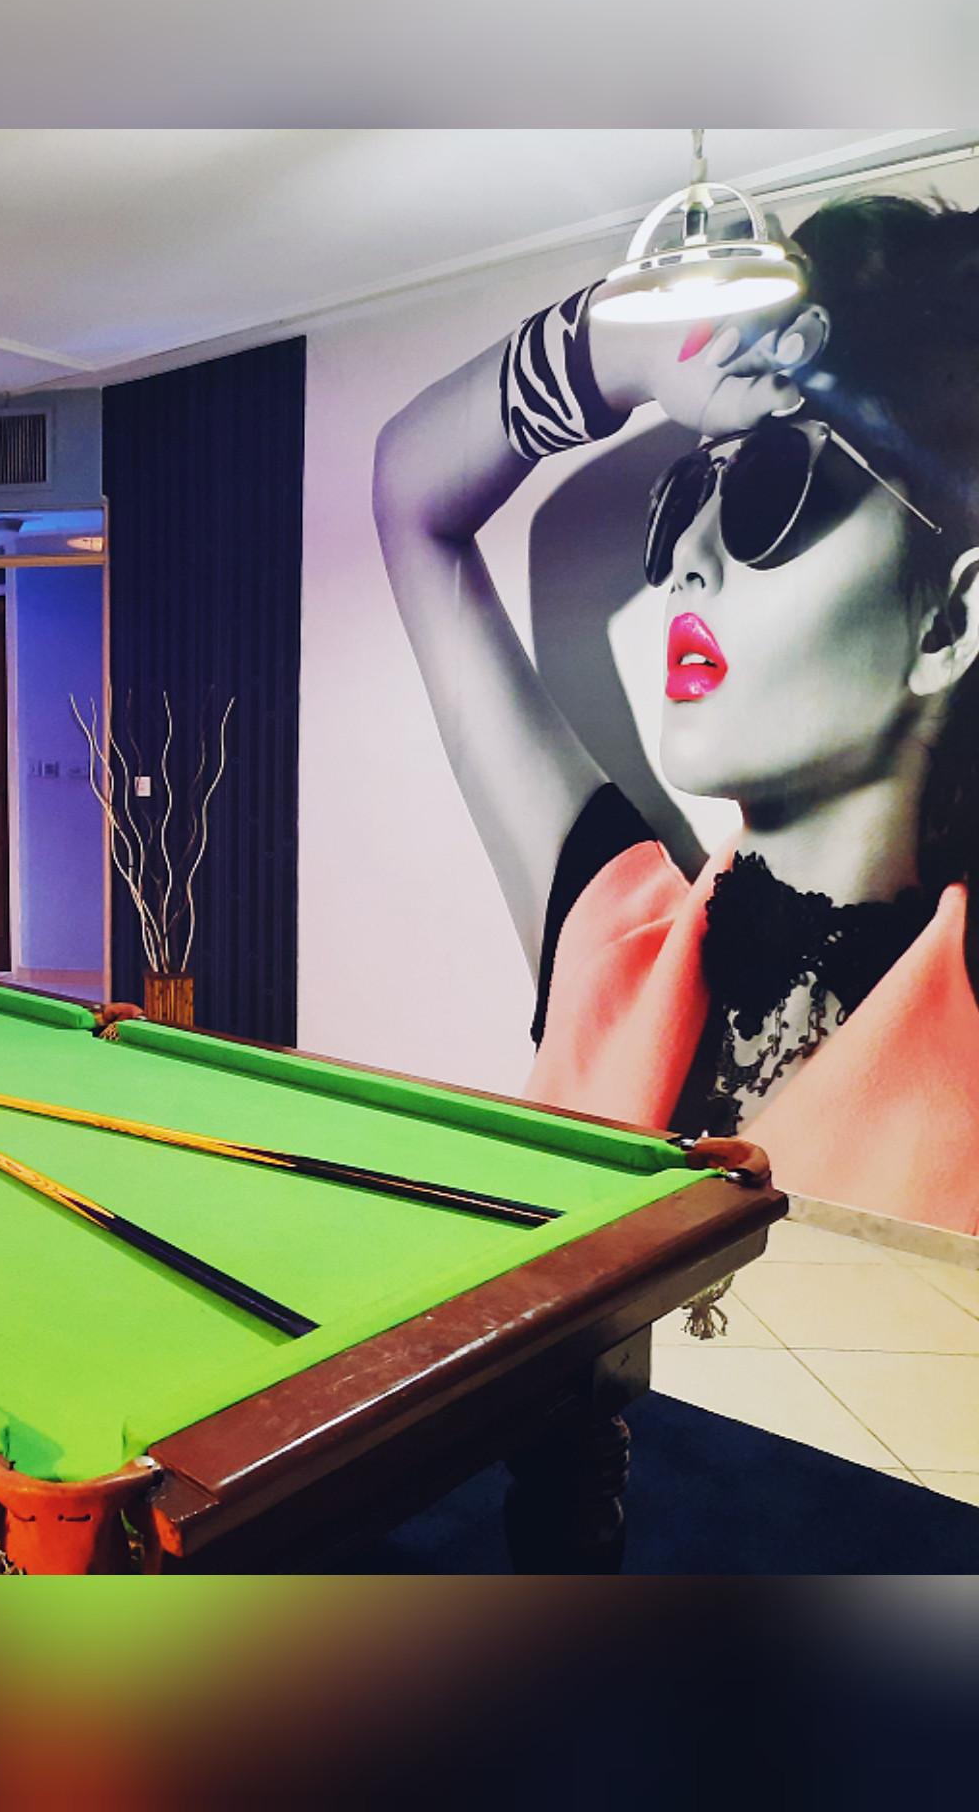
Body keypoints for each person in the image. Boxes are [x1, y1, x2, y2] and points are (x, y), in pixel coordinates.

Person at [373, 195, 979, 1234]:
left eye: (775, 488)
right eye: (690, 491)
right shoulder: (613, 946)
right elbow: (409, 493)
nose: (690, 558)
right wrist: (625, 350)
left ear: (950, 621)